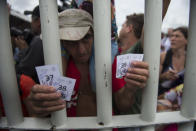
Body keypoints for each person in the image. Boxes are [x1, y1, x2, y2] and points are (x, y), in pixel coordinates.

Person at [23, 9, 149, 120]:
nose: (81, 50)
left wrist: (130, 88)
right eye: (71, 42)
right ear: (62, 42)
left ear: (94, 35)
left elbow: (123, 105)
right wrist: (38, 103)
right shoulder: (56, 66)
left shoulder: (107, 61)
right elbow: (43, 110)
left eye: (86, 37)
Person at [15, 5, 44, 83]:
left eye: (32, 20)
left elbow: (22, 72)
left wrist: (23, 50)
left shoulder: (40, 40)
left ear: (38, 21)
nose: (31, 24)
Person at [159, 27, 188, 96]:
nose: (172, 39)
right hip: (162, 96)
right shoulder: (163, 56)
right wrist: (164, 76)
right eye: (171, 36)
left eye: (177, 36)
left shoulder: (191, 59)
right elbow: (154, 79)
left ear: (187, 40)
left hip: (184, 98)